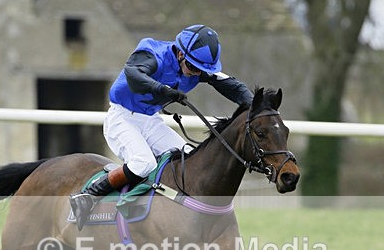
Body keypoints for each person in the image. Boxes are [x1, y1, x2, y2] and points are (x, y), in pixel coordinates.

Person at [69, 24, 254, 229]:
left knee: (188, 160)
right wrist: (162, 89)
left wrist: (258, 107)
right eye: (193, 67)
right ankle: (89, 195)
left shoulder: (196, 65)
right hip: (122, 117)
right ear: (181, 54)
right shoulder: (153, 54)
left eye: (200, 71)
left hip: (150, 120)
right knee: (143, 163)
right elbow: (133, 74)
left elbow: (234, 87)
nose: (195, 74)